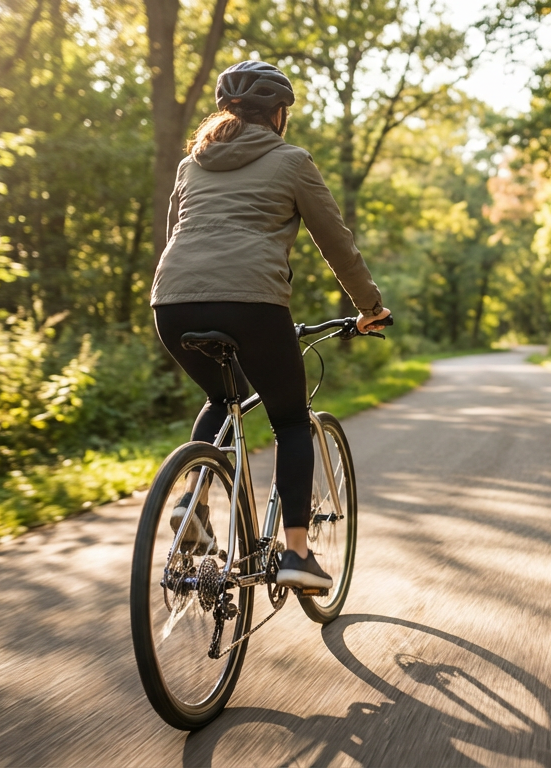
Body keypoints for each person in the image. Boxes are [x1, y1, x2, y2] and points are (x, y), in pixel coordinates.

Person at [150, 61, 391, 589]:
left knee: (221, 398)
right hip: (253, 304)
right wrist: (370, 306)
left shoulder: (192, 164)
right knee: (289, 420)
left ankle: (193, 502)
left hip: (172, 304)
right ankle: (297, 555)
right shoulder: (291, 160)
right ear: (278, 115)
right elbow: (336, 243)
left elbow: (175, 236)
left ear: (226, 112)